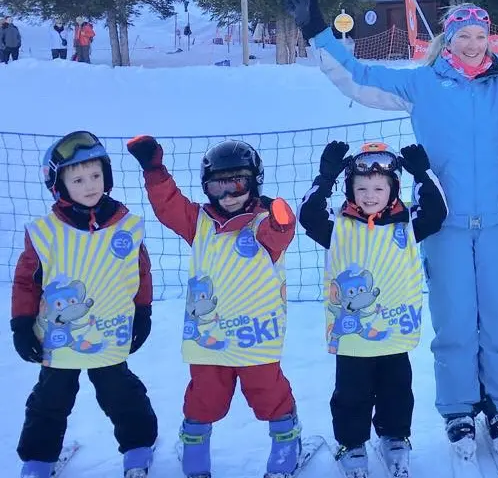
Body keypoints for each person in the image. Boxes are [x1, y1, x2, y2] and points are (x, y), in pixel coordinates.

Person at [284, 0, 498, 462]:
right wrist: (316, 30)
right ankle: (458, 409)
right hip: (445, 227)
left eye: (480, 35)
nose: (473, 44)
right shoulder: (421, 84)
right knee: (454, 324)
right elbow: (356, 77)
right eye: (464, 36)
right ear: (449, 39)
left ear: (488, 37)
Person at [125, 135, 303, 478]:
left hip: (256, 339)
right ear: (207, 188)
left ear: (254, 183)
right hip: (209, 339)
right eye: (218, 187)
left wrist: (282, 220)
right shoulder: (199, 223)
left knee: (270, 395)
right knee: (204, 399)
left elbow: (278, 235)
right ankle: (195, 455)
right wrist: (154, 169)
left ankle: (285, 443)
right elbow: (168, 205)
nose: (229, 195)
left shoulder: (262, 224)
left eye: (238, 184)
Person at [11, 131, 158, 477]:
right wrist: (21, 324)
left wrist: (143, 311)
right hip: (60, 338)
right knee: (51, 400)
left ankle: (138, 446)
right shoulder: (44, 233)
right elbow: (25, 283)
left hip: (109, 334)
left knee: (120, 393)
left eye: (96, 176)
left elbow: (141, 273)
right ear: (58, 185)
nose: (90, 185)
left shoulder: (126, 227)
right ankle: (38, 460)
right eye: (77, 179)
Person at [298, 140, 447, 477]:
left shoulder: (406, 223)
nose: (369, 195)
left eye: (379, 187)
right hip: (352, 336)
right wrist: (326, 177)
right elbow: (308, 216)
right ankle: (352, 444)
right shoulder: (338, 226)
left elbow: (437, 213)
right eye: (361, 187)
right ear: (350, 189)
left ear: (393, 188)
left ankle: (394, 437)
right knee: (351, 393)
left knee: (397, 390)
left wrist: (421, 173)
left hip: (394, 331)